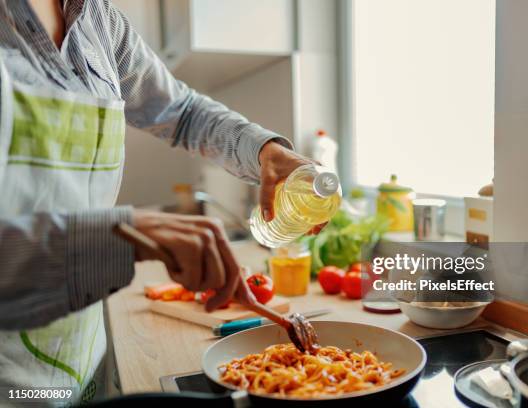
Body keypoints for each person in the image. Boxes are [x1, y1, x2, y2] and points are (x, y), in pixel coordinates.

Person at [0, 0, 318, 404]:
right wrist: (121, 236)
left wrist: (264, 151)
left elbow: (181, 112)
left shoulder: (97, 18)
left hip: (81, 360)